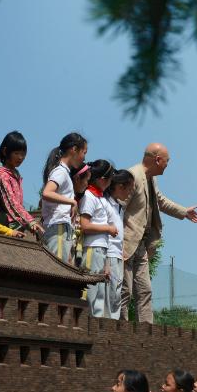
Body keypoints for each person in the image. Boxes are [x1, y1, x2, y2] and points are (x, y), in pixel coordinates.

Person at [121, 143, 197, 323]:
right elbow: (118, 208)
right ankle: (121, 331)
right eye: (167, 161)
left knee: (144, 290)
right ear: (157, 160)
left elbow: (161, 201)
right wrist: (114, 240)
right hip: (125, 243)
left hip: (141, 244)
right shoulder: (132, 176)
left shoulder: (150, 179)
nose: (167, 165)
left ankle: (148, 334)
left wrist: (183, 211)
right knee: (124, 290)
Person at [40, 133, 86, 264]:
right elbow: (47, 192)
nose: (84, 157)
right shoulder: (60, 171)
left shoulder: (64, 171)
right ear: (74, 149)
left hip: (60, 228)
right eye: (84, 152)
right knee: (57, 272)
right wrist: (71, 201)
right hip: (58, 228)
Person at [79, 160, 116, 318]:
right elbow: (85, 225)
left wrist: (107, 263)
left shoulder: (100, 198)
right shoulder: (89, 196)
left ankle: (96, 330)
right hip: (91, 248)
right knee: (90, 293)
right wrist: (108, 228)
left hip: (102, 249)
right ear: (102, 179)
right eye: (109, 179)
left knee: (100, 293)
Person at [0, 131, 42, 237]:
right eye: (17, 153)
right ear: (5, 151)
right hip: (6, 226)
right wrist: (30, 221)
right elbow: (10, 202)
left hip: (17, 223)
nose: (21, 157)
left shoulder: (16, 174)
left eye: (23, 154)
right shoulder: (2, 174)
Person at [104, 169, 132, 320]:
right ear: (120, 186)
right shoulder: (105, 203)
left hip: (118, 255)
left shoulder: (119, 207)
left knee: (116, 296)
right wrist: (106, 262)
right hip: (109, 255)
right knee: (109, 296)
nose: (130, 193)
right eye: (129, 188)